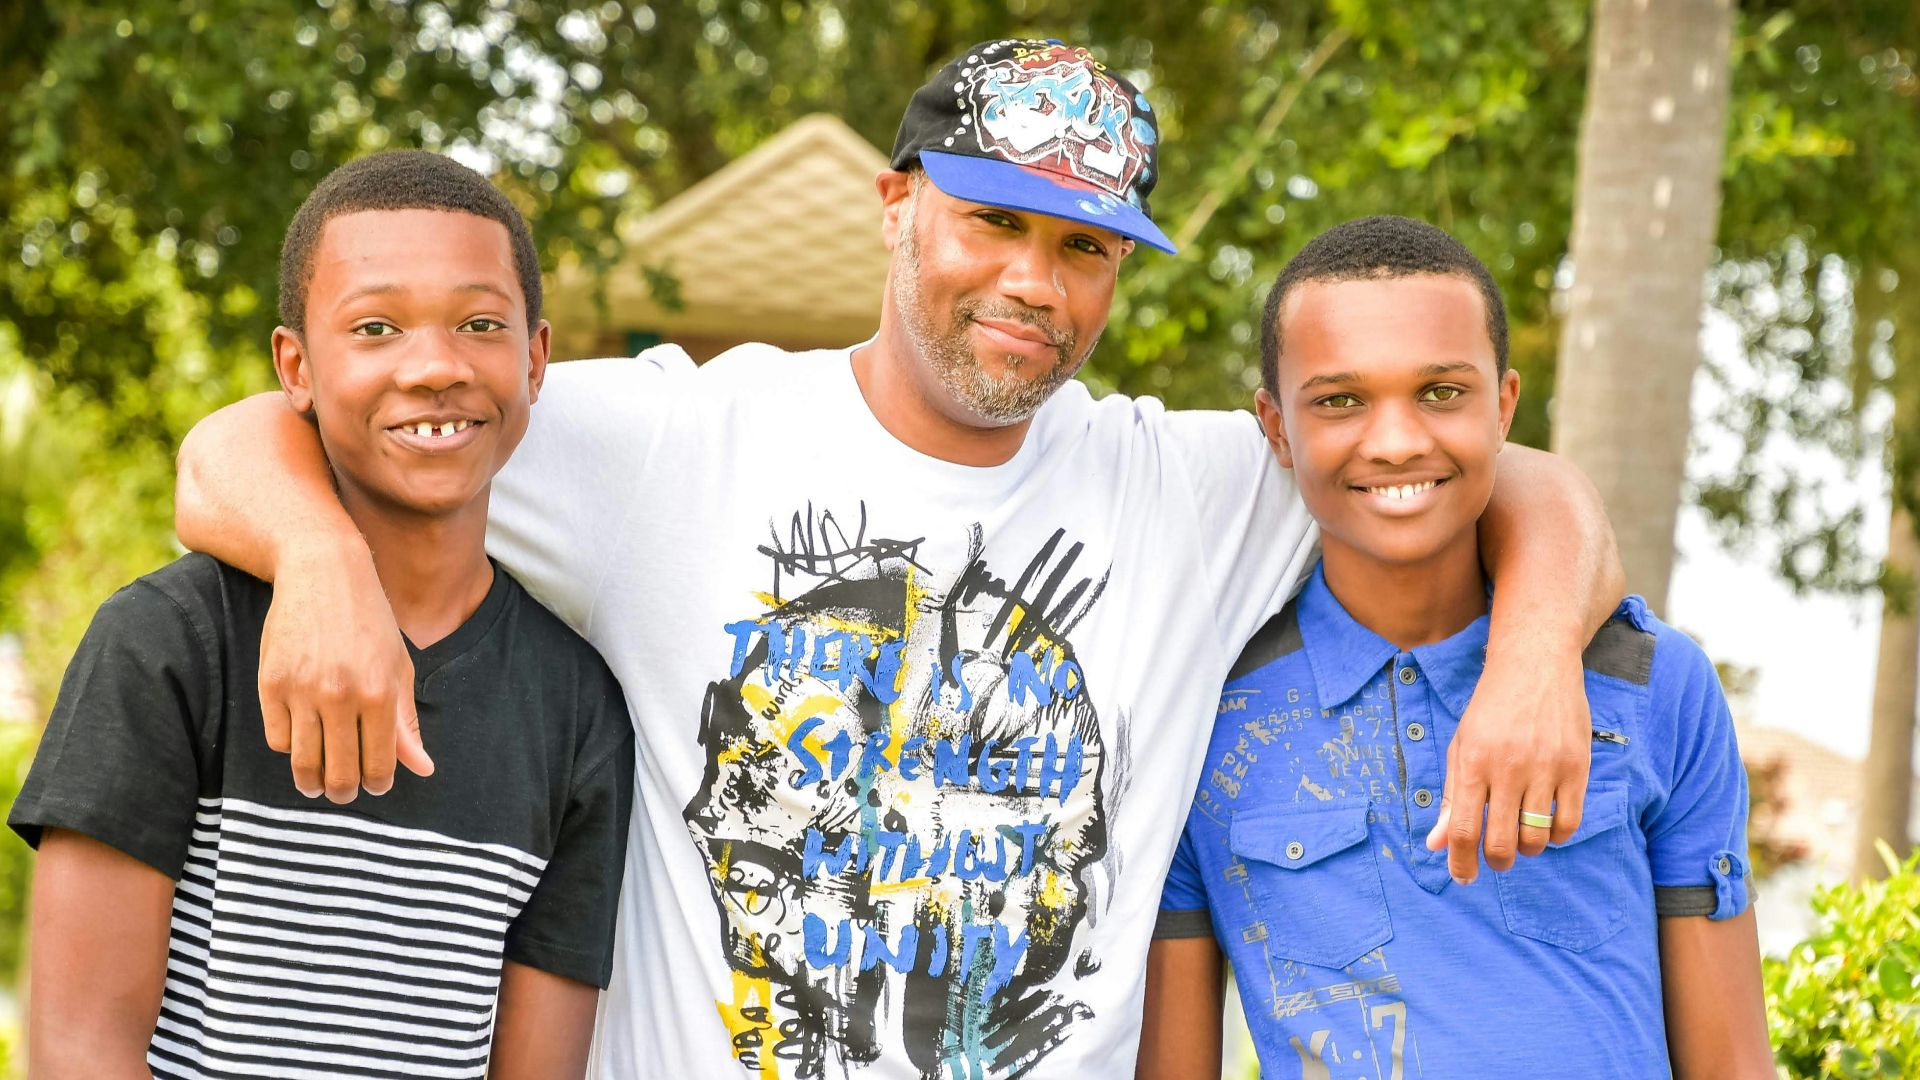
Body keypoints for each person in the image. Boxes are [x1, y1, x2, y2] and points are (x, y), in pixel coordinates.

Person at [174, 40, 1622, 1077]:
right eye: (993, 222)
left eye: (1084, 251)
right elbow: (249, 433)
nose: (1032, 285)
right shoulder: (675, 439)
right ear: (897, 205)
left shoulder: (1186, 486)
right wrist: (317, 557)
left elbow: (1514, 474)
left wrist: (1538, 651)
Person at [12, 150, 635, 1080]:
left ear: (535, 358)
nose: (434, 366)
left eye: (479, 323)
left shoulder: (577, 710)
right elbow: (78, 1051)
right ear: (295, 367)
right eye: (376, 327)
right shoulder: (170, 644)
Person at [1138, 216, 1773, 1079]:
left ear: (1504, 405)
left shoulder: (1653, 682)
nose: (1397, 440)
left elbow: (1733, 1064)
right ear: (1276, 428)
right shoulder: (1202, 714)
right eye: (1339, 400)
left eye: (1441, 391)